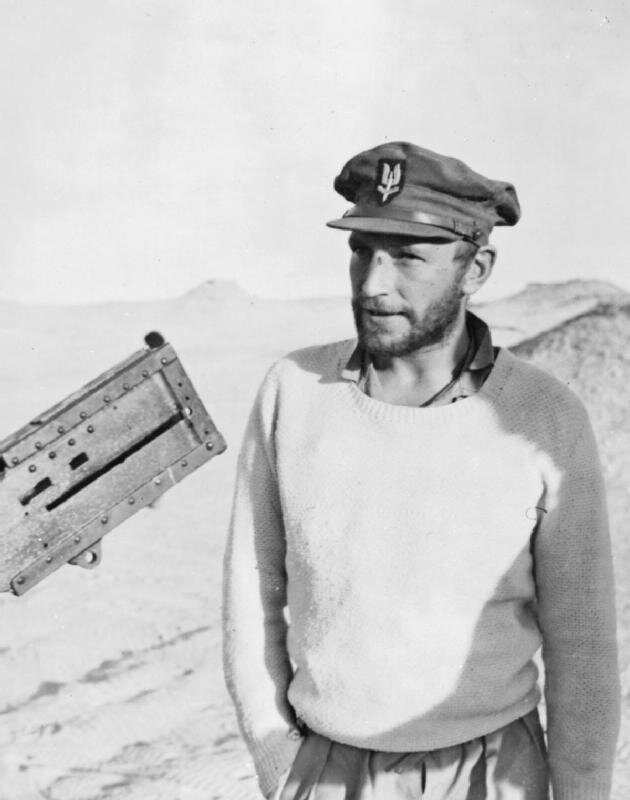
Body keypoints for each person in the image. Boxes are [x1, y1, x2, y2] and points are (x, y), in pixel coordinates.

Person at [222, 142, 620, 800]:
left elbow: (582, 646)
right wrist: (276, 756)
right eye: (361, 251)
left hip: (494, 778)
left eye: (407, 256)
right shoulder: (292, 392)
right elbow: (249, 597)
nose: (373, 283)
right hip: (327, 774)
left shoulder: (546, 417)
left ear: (476, 268)